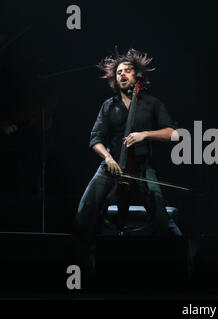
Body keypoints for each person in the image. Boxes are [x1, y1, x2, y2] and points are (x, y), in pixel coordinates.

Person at [73, 49, 182, 267]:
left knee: (162, 217)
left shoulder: (152, 103)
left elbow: (175, 133)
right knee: (84, 212)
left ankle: (183, 259)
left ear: (137, 75)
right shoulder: (109, 105)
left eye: (128, 71)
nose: (122, 75)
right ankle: (77, 261)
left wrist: (145, 134)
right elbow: (95, 139)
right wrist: (109, 159)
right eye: (119, 72)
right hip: (111, 166)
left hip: (142, 166)